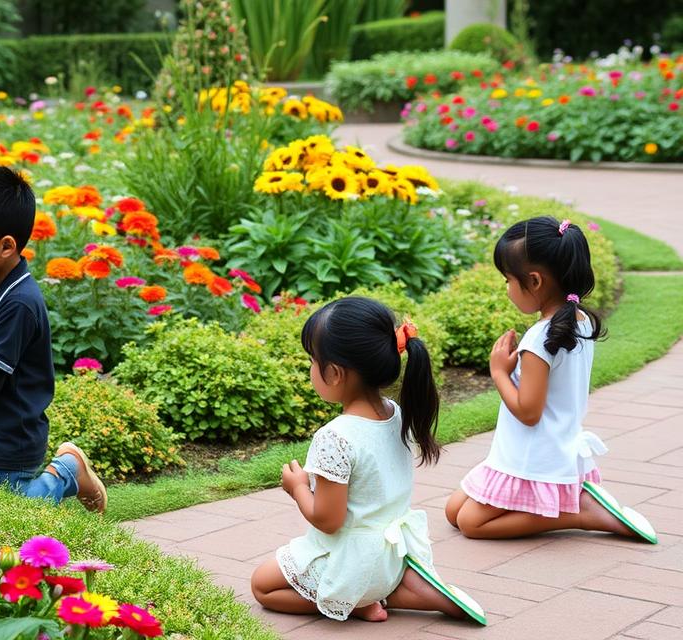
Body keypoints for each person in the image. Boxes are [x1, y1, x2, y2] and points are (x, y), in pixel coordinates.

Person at [251, 297, 487, 625]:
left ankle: (356, 603)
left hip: (352, 564)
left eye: (312, 359)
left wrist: (298, 487)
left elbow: (327, 520)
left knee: (262, 586)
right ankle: (401, 590)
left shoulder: (336, 437)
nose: (310, 368)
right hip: (394, 555)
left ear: (333, 373)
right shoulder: (395, 413)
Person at [445, 216, 656, 543]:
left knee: (472, 523)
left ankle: (579, 514)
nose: (506, 288)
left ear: (534, 281)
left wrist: (499, 372)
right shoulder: (578, 320)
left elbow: (528, 412)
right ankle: (573, 504)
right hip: (544, 449)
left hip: (534, 457)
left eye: (507, 280)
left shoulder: (539, 339)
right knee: (453, 511)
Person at [0, 165, 107, 513]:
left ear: (6, 246)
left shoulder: (19, 303)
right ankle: (62, 472)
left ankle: (66, 474)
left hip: (7, 444)